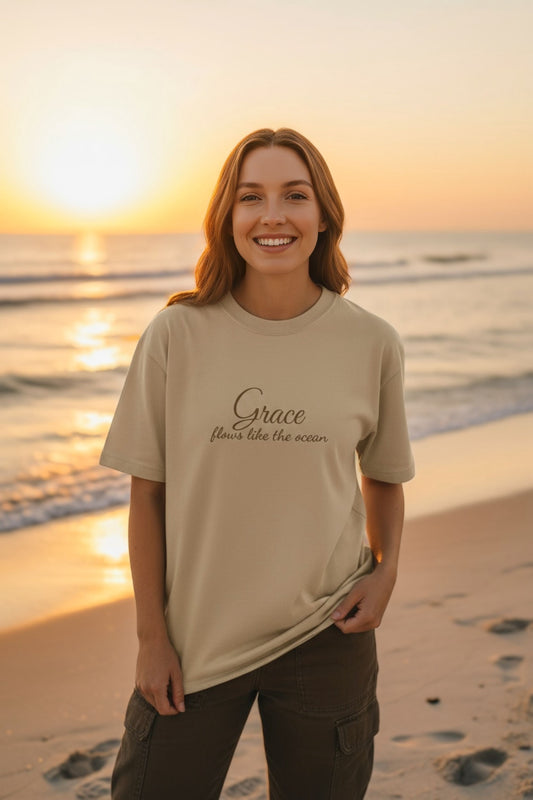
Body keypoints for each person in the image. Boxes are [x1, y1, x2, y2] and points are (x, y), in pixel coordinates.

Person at [99, 127, 415, 800]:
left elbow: (384, 476)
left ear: (323, 215)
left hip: (327, 634)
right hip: (194, 645)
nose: (273, 215)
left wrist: (385, 574)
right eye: (251, 197)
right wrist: (151, 638)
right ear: (228, 216)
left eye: (294, 195)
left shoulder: (371, 342)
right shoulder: (175, 335)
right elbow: (147, 495)